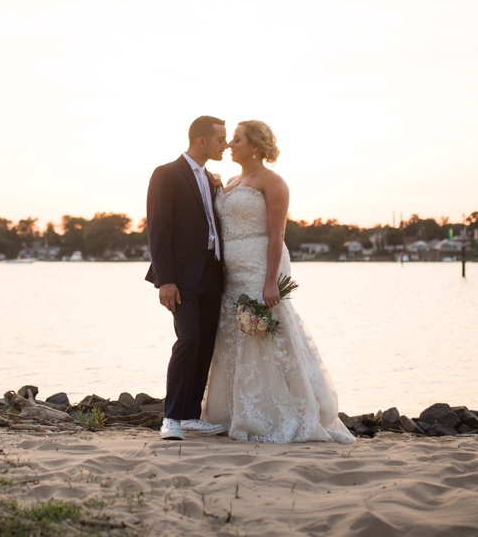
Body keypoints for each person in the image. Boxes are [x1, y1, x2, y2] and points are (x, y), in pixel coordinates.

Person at [202, 120, 354, 444]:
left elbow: (277, 234)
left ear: (254, 146)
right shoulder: (229, 180)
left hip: (261, 268)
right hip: (232, 273)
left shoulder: (274, 182)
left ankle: (275, 414)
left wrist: (270, 281)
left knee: (264, 334)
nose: (229, 144)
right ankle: (233, 412)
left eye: (237, 139)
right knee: (234, 334)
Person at [146, 116, 230, 440]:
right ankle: (171, 418)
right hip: (181, 276)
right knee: (189, 339)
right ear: (202, 141)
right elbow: (157, 230)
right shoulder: (166, 174)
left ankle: (192, 415)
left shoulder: (210, 177)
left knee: (206, 342)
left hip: (213, 272)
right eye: (221, 139)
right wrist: (165, 280)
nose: (225, 145)